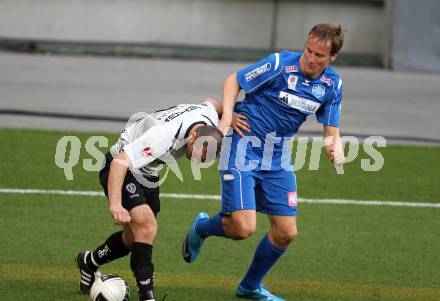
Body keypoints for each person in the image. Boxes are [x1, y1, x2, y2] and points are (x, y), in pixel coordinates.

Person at [182, 24, 346, 300]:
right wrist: (227, 118)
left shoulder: (332, 85)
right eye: (308, 50)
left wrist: (335, 149)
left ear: (332, 58)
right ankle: (201, 228)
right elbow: (234, 80)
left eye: (319, 55)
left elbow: (332, 132)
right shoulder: (280, 63)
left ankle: (249, 287)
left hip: (278, 157)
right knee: (243, 229)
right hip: (243, 148)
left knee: (285, 232)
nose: (310, 58)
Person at [76, 99, 223, 301]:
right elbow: (119, 163)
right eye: (199, 154)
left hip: (148, 173)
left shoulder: (209, 118)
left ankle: (89, 261)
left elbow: (214, 103)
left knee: (133, 239)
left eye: (206, 159)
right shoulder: (161, 137)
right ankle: (147, 296)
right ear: (193, 136)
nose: (198, 161)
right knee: (147, 227)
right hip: (122, 167)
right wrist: (116, 204)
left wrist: (233, 115)